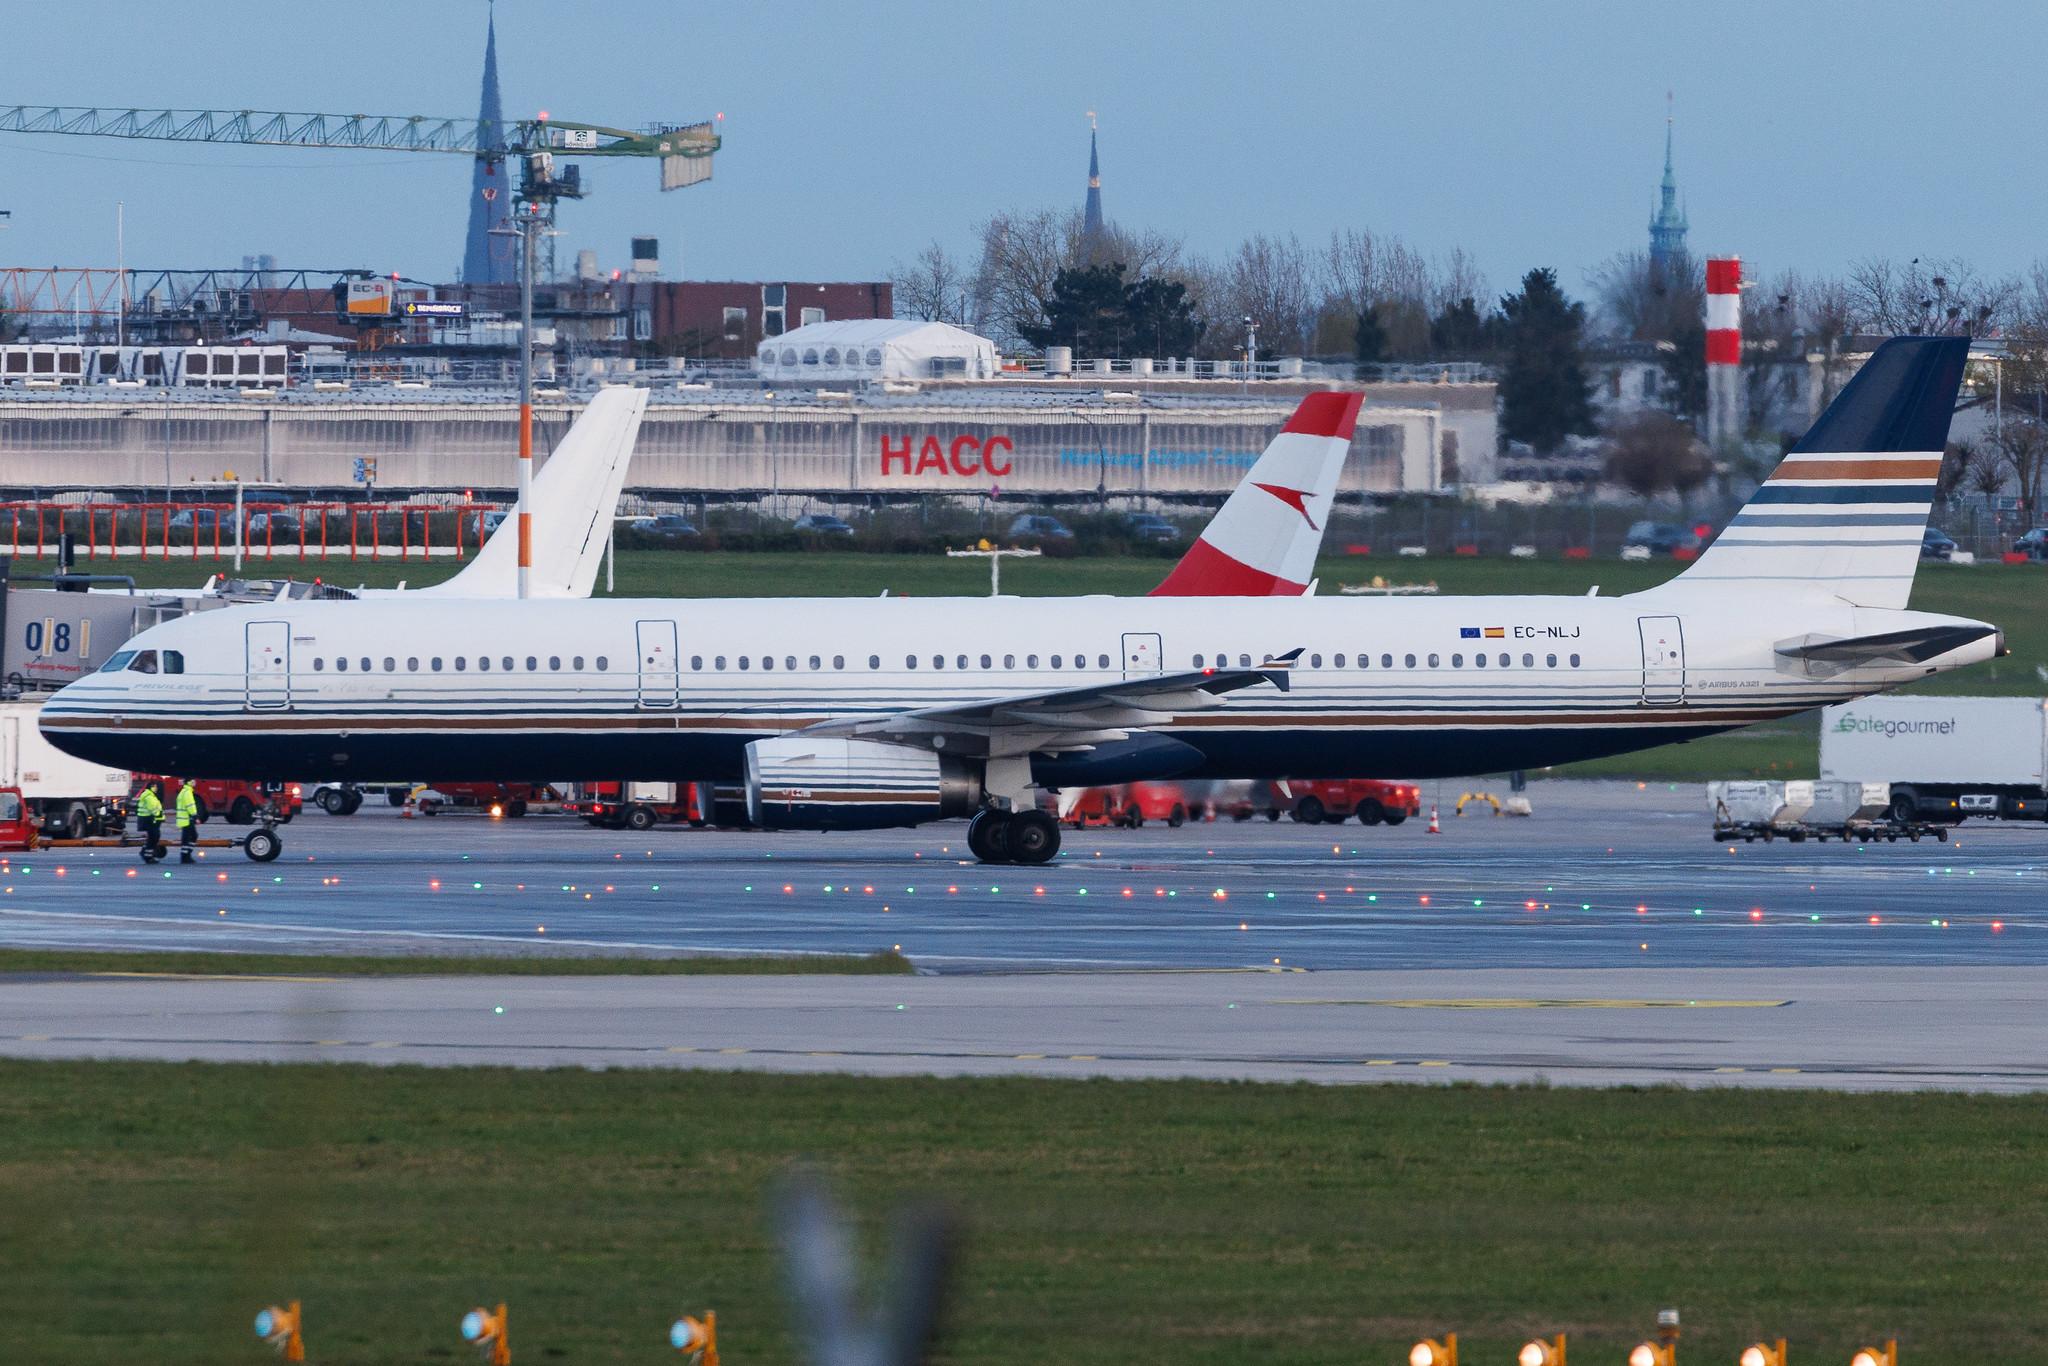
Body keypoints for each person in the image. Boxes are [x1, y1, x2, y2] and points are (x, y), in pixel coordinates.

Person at [135, 781, 165, 862]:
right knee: (154, 837)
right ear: (150, 787)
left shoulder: (150, 795)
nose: (156, 788)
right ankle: (147, 856)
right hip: (149, 820)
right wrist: (160, 816)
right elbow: (154, 809)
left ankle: (146, 853)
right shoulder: (149, 797)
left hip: (148, 820)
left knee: (154, 837)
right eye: (154, 787)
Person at [174, 778, 200, 864]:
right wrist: (195, 816)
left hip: (183, 819)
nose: (194, 782)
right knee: (193, 836)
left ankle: (185, 855)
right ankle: (186, 856)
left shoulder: (183, 792)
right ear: (189, 782)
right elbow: (190, 806)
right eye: (193, 781)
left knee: (186, 838)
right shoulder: (188, 793)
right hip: (188, 819)